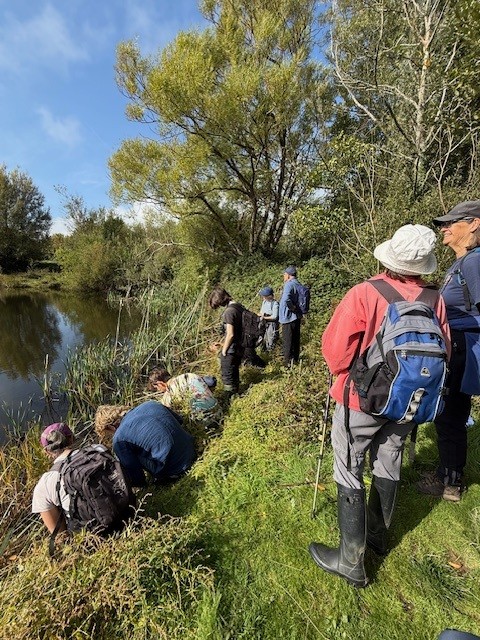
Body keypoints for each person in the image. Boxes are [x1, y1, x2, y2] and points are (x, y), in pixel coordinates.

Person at [308, 224, 451, 587]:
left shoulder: (365, 293)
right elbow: (446, 351)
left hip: (362, 399)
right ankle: (378, 538)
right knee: (389, 459)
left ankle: (350, 561)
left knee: (348, 467)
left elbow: (336, 356)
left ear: (390, 258)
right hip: (410, 403)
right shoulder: (435, 300)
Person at [417, 200, 480, 502]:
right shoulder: (462, 262)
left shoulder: (474, 261)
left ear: (474, 224)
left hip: (462, 350)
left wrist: (454, 327)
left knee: (450, 415)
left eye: (450, 223)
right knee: (451, 414)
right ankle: (449, 476)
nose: (443, 228)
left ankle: (449, 481)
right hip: (457, 347)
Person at [32, 422, 133, 535]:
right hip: (130, 514)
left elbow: (59, 534)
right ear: (71, 438)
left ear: (47, 451)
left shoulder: (45, 484)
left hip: (94, 535)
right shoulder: (99, 449)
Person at [95, 401, 196, 487]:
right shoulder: (150, 403)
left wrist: (140, 485)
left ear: (111, 427)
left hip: (175, 468)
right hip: (191, 448)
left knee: (128, 455)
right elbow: (179, 420)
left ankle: (166, 475)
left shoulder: (119, 438)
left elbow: (134, 470)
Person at [147, 367, 223, 426]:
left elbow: (166, 415)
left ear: (160, 384)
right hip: (219, 412)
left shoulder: (170, 393)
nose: (160, 391)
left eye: (157, 388)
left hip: (208, 422)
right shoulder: (190, 375)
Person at [208, 286, 244, 399]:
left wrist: (224, 350)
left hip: (232, 349)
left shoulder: (229, 312)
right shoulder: (239, 306)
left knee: (227, 375)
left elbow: (230, 334)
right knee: (234, 372)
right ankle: (236, 394)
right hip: (240, 346)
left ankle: (230, 399)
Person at [279, 266, 302, 366]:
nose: (283, 276)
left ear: (288, 275)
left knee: (288, 341)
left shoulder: (288, 285)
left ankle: (287, 364)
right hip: (297, 316)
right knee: (295, 340)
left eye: (284, 274)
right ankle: (295, 361)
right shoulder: (298, 283)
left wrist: (291, 307)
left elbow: (286, 299)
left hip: (288, 317)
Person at [258, 286, 279, 351]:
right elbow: (262, 311)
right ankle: (264, 349)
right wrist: (260, 315)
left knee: (271, 338)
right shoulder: (264, 302)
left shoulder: (275, 304)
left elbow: (274, 316)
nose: (263, 297)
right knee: (263, 337)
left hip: (272, 323)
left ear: (269, 296)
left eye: (264, 296)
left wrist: (265, 317)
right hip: (264, 322)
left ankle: (271, 351)